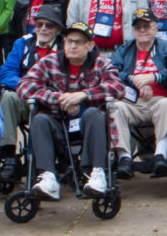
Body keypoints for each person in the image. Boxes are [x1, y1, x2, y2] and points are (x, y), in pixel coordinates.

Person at [16, 20, 124, 199]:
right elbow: (24, 86)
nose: (72, 46)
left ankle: (97, 174)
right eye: (69, 41)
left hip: (89, 126)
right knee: (39, 119)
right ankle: (48, 177)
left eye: (78, 42)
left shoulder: (101, 63)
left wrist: (84, 95)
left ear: (90, 46)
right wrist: (59, 99)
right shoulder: (49, 62)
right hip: (58, 123)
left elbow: (118, 88)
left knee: (94, 114)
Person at [109, 9, 167, 176]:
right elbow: (111, 71)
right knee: (115, 108)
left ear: (155, 29)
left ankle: (160, 155)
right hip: (131, 103)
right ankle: (124, 157)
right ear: (133, 31)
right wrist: (133, 80)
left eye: (147, 26)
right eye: (138, 27)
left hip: (159, 101)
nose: (143, 30)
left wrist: (154, 77)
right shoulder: (125, 50)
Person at [0, 6, 66, 174]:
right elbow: (6, 73)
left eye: (49, 25)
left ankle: (48, 158)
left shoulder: (65, 46)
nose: (43, 29)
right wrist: (28, 86)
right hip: (25, 95)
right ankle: (8, 155)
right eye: (39, 24)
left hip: (52, 99)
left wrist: (44, 92)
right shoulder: (22, 43)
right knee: (7, 98)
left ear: (58, 29)